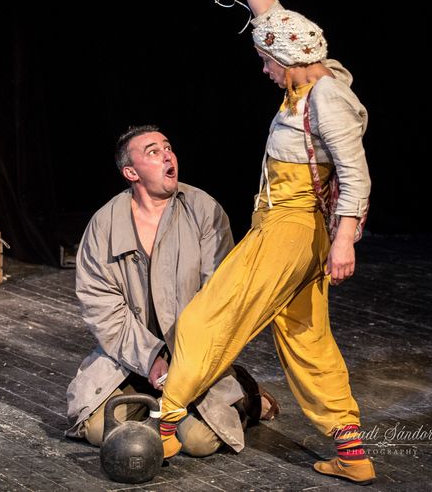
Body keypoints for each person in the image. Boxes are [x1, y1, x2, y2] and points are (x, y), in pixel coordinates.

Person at [159, 0, 375, 484]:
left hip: (291, 228)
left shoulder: (326, 100)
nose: (263, 68)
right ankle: (352, 452)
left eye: (266, 60)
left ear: (288, 58)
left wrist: (345, 241)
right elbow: (271, 15)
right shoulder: (309, 75)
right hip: (295, 231)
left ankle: (166, 423)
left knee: (212, 313)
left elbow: (356, 175)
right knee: (306, 338)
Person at [65, 124, 279, 456]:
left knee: (199, 442)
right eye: (153, 152)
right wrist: (151, 359)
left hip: (194, 354)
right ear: (131, 172)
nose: (167, 155)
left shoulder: (203, 210)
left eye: (168, 148)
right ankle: (158, 405)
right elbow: (101, 307)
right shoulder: (105, 224)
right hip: (132, 356)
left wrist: (185, 362)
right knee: (98, 429)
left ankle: (247, 393)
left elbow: (219, 295)